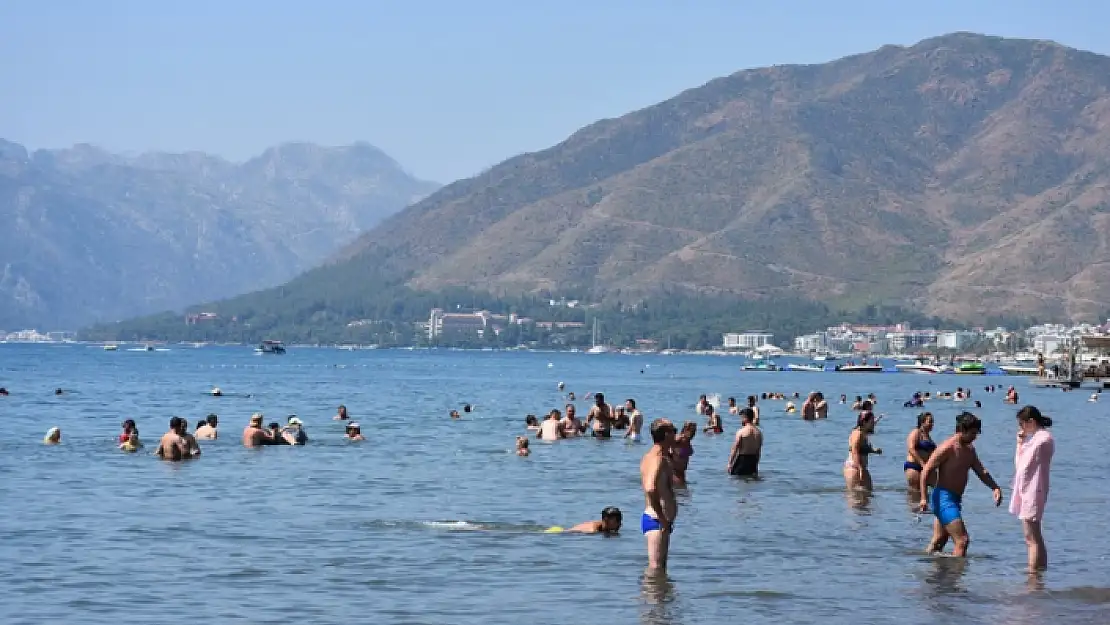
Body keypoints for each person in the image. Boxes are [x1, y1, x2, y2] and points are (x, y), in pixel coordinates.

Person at [918, 412, 1003, 557]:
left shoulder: (969, 449)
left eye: (977, 433)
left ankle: (933, 574)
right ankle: (956, 577)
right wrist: (924, 498)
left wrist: (995, 487)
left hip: (955, 499)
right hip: (943, 499)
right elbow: (926, 471)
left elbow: (981, 471)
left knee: (940, 540)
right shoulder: (947, 448)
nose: (975, 437)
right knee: (962, 540)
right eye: (972, 433)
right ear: (962, 430)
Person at [1011, 406, 1054, 571]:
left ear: (1031, 422)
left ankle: (1033, 575)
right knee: (1035, 535)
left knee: (1031, 538)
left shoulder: (1043, 439)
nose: (1021, 428)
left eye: (1022, 424)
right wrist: (1020, 443)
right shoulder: (1036, 439)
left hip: (1034, 490)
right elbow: (1020, 465)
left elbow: (1022, 466)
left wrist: (1024, 444)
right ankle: (1040, 572)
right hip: (1030, 490)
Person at [640, 419, 677, 576]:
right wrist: (662, 518)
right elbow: (650, 488)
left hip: (660, 520)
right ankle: (651, 599)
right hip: (656, 520)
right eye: (673, 430)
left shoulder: (656, 456)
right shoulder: (657, 459)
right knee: (655, 569)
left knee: (660, 570)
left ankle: (660, 600)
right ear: (665, 434)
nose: (676, 433)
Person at [844, 411, 881, 491]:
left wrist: (873, 450)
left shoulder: (863, 433)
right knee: (856, 499)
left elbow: (861, 449)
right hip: (854, 467)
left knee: (867, 496)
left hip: (860, 467)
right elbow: (855, 451)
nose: (873, 424)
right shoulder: (857, 433)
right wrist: (861, 469)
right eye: (871, 422)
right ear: (864, 422)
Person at [904, 412, 936, 492]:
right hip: (914, 467)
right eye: (930, 421)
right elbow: (911, 449)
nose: (932, 424)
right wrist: (922, 463)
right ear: (922, 422)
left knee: (938, 488)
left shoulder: (928, 437)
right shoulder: (916, 432)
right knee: (915, 494)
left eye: (933, 422)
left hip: (926, 468)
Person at [727, 408, 762, 477]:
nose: (741, 420)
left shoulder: (741, 431)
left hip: (742, 460)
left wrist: (730, 463)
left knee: (736, 480)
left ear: (745, 417)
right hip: (753, 460)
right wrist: (756, 465)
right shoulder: (759, 433)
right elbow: (758, 451)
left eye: (741, 418)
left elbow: (735, 448)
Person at [671, 422, 697, 486]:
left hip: (682, 473)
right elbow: (666, 445)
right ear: (685, 430)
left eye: (694, 431)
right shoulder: (678, 438)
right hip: (674, 472)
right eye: (691, 431)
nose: (693, 434)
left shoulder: (688, 441)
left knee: (684, 493)